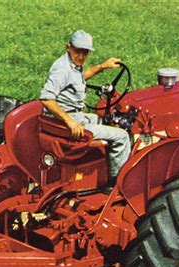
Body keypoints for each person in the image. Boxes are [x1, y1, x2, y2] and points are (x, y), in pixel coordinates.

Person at [40, 30, 131, 191]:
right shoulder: (62, 69)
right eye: (78, 51)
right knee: (122, 136)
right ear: (68, 47)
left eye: (85, 52)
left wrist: (102, 66)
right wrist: (70, 122)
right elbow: (46, 99)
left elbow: (79, 78)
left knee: (107, 121)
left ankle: (103, 166)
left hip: (74, 116)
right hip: (68, 121)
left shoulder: (72, 65)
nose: (81, 56)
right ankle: (116, 183)